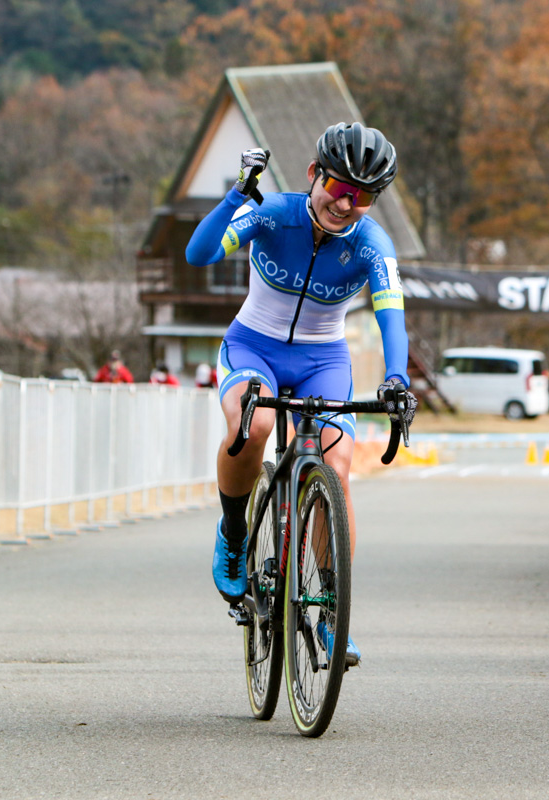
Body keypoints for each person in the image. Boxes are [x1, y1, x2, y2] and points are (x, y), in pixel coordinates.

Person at [185, 122, 418, 666]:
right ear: (314, 174)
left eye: (363, 197)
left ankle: (333, 615)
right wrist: (238, 195)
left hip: (323, 360)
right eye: (339, 187)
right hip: (253, 348)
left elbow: (393, 322)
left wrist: (397, 378)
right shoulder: (273, 214)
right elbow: (199, 255)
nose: (346, 203)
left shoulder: (370, 245)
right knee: (255, 423)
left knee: (336, 468)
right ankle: (236, 532)